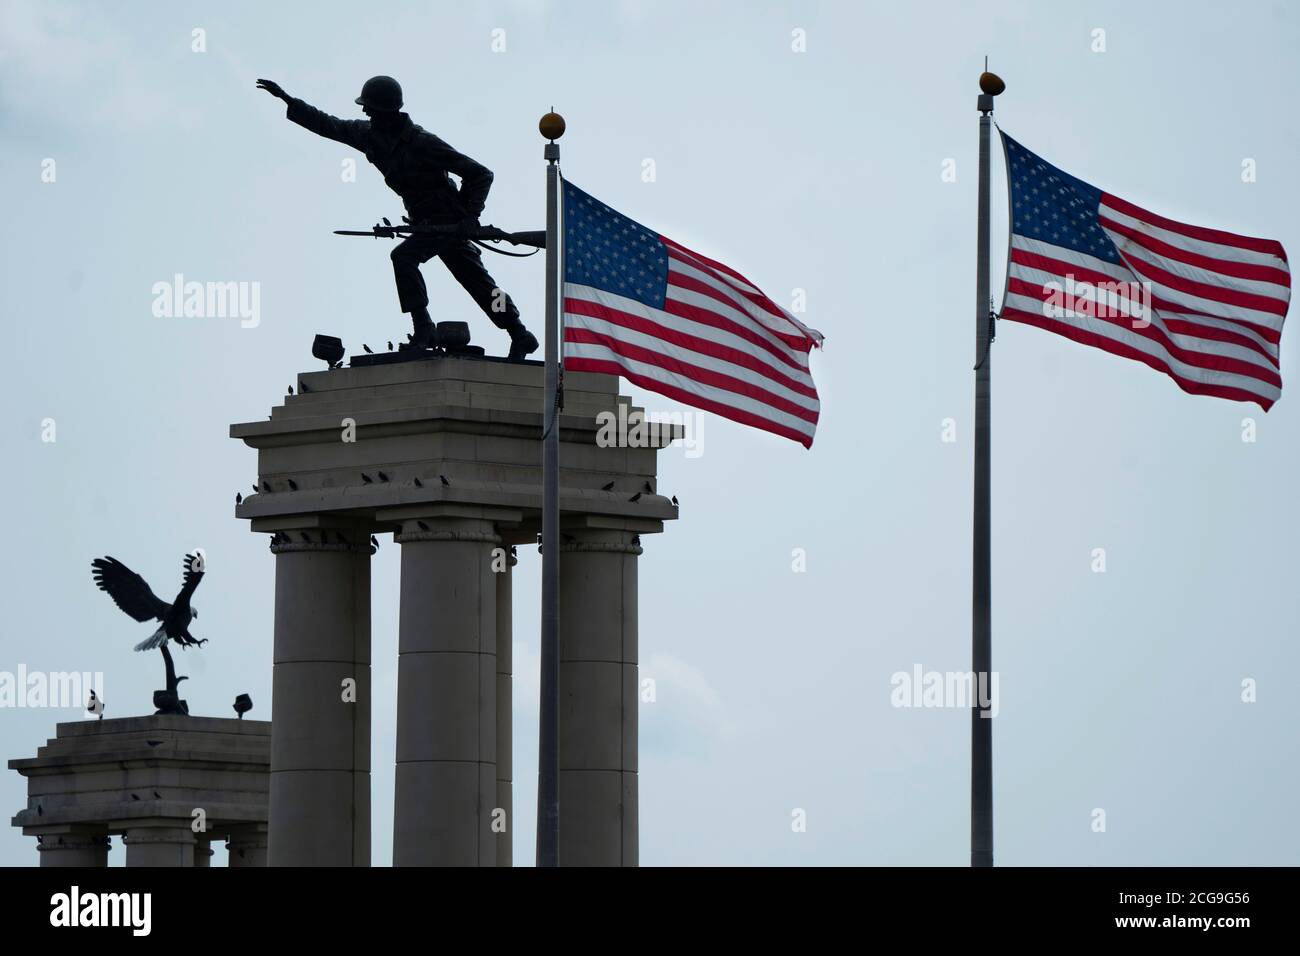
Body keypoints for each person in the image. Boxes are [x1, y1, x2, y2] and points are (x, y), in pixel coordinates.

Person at [257, 75, 539, 360]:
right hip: (427, 224)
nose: (365, 112)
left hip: (448, 219)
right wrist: (288, 100)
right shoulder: (368, 135)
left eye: (370, 108)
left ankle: (424, 328)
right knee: (479, 283)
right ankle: (519, 333)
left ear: (386, 111)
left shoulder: (423, 142)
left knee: (407, 259)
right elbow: (329, 125)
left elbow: (480, 174)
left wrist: (469, 217)